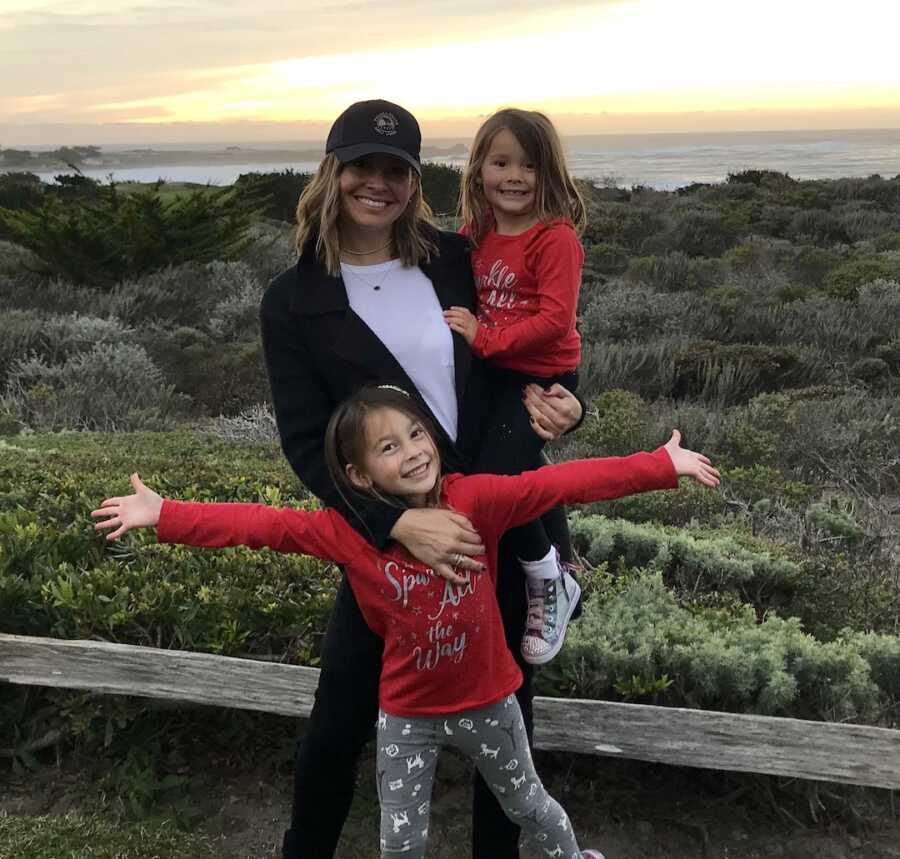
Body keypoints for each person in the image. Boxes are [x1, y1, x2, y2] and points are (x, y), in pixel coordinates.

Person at [91, 385, 720, 859]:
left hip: (491, 704)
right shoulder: (348, 532)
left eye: (417, 435)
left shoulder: (477, 498)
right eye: (389, 447)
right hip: (407, 718)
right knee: (400, 845)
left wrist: (660, 466)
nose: (414, 452)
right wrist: (163, 512)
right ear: (361, 476)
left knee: (530, 804)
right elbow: (259, 526)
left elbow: (561, 483)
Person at [258, 98, 585, 859]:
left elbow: (522, 354)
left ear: (415, 181)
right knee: (338, 720)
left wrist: (571, 402)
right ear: (331, 173)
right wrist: (397, 524)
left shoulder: (451, 258)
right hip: (389, 543)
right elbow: (309, 445)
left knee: (508, 723)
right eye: (362, 167)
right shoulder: (294, 301)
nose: (378, 183)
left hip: (491, 525)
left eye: (396, 170)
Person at [444, 108, 587, 667]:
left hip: (540, 377)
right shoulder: (474, 235)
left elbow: (555, 321)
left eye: (528, 165)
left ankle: (549, 578)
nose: (514, 176)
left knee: (497, 483)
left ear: (547, 173)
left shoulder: (555, 240)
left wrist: (483, 339)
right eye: (500, 162)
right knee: (503, 474)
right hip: (493, 375)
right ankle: (561, 563)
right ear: (479, 168)